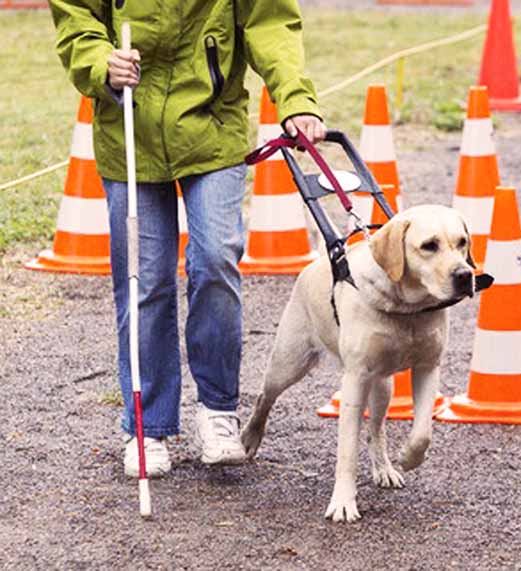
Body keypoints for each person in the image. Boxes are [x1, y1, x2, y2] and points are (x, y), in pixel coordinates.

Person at [49, 0, 326, 477]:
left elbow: (271, 21)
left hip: (212, 129)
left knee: (216, 259)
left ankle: (218, 412)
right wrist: (101, 63)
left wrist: (295, 99)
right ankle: (147, 427)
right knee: (146, 281)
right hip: (129, 131)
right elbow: (76, 18)